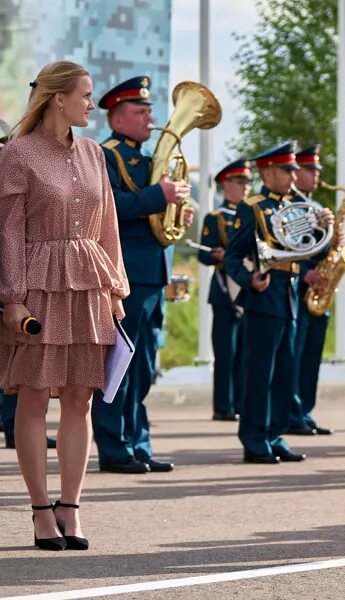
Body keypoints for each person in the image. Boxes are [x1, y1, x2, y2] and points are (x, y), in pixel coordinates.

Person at [1, 62, 130, 550]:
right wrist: (13, 298)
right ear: (59, 99)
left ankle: (70, 507)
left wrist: (116, 289)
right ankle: (39, 510)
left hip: (90, 285)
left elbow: (108, 227)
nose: (91, 104)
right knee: (34, 397)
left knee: (81, 399)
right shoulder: (18, 154)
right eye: (86, 95)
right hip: (38, 285)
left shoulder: (96, 154)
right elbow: (9, 231)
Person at [93, 75, 188, 474]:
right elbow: (107, 205)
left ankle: (138, 443)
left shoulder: (151, 161)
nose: (150, 116)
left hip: (153, 273)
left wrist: (179, 209)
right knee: (120, 365)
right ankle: (114, 448)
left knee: (145, 366)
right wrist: (158, 197)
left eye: (149, 109)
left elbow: (157, 216)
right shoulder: (106, 156)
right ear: (117, 120)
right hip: (126, 273)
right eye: (140, 110)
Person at [226, 142, 327, 465]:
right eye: (288, 171)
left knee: (286, 369)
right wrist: (248, 280)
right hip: (265, 294)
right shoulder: (253, 207)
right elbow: (232, 258)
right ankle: (255, 439)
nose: (294, 177)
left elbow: (311, 251)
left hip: (292, 293)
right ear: (269, 172)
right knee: (260, 373)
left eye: (295, 171)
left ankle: (275, 434)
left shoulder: (300, 204)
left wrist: (325, 231)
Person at [198, 159, 252, 422]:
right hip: (223, 289)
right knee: (225, 351)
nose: (246, 187)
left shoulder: (252, 214)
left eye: (248, 182)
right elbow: (204, 254)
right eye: (240, 181)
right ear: (226, 184)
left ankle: (242, 403)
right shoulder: (216, 218)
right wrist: (220, 255)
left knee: (244, 352)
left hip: (246, 289)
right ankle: (223, 406)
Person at [287, 144, 332, 436]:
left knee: (312, 355)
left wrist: (331, 233)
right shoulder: (289, 208)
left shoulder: (313, 207)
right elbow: (287, 250)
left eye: (317, 170)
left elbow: (319, 249)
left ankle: (305, 409)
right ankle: (292, 412)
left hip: (317, 293)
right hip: (294, 288)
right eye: (310, 169)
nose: (316, 175)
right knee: (294, 355)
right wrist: (306, 274)